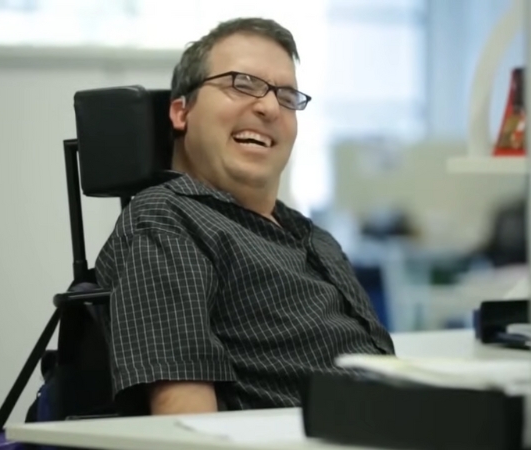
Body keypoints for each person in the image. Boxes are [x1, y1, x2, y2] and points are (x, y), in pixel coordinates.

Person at [95, 17, 395, 416]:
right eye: (242, 83)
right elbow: (184, 430)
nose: (269, 106)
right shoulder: (167, 221)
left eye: (287, 95)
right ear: (181, 112)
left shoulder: (315, 237)